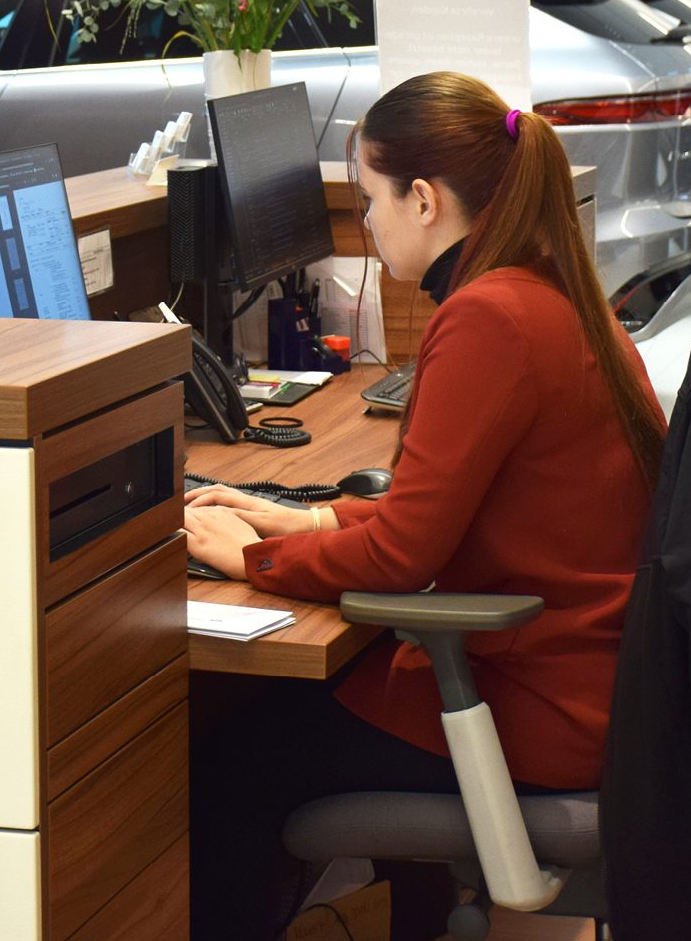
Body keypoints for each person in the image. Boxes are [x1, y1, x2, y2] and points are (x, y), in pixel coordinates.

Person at [183, 70, 666, 940]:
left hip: (550, 704)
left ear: (423, 199)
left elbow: (404, 559)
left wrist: (242, 556)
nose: (364, 226)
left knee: (233, 758)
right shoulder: (547, 288)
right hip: (597, 676)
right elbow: (453, 512)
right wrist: (309, 519)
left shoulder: (488, 319)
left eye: (369, 201)